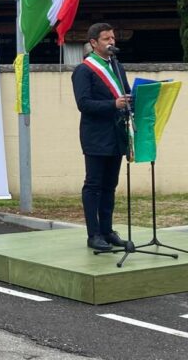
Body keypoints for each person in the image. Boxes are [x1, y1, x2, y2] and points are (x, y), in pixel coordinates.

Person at [72, 23, 131, 252]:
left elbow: (124, 93)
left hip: (116, 135)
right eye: (106, 38)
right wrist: (113, 104)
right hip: (96, 136)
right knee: (94, 185)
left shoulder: (117, 66)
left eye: (113, 38)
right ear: (94, 42)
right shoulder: (84, 70)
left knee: (110, 186)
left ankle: (107, 231)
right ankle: (93, 234)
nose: (111, 42)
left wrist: (131, 100)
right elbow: (83, 104)